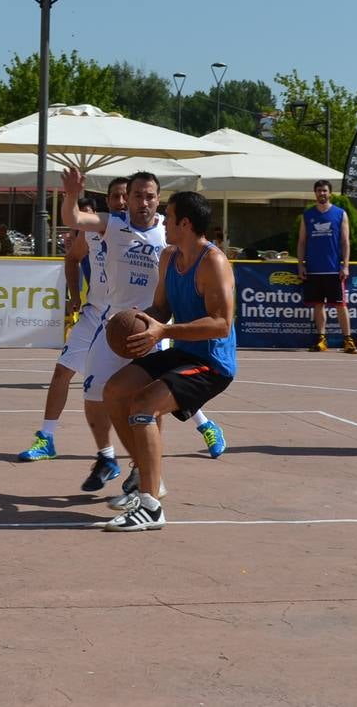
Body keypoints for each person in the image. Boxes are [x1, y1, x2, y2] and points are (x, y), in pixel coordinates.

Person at [61, 168, 227, 494]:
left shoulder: (170, 236)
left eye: (150, 196)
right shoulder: (114, 224)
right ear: (128, 198)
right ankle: (112, 457)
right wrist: (70, 194)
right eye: (137, 195)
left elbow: (214, 313)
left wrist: (160, 327)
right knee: (98, 395)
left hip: (152, 329)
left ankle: (144, 474)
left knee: (149, 403)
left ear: (158, 200)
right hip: (114, 326)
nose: (144, 201)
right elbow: (75, 218)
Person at [98, 191, 237, 531]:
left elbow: (221, 323)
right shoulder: (169, 257)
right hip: (184, 351)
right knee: (114, 391)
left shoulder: (213, 262)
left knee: (143, 405)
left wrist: (162, 332)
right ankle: (149, 477)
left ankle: (150, 506)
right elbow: (161, 309)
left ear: (184, 223)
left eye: (168, 215)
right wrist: (138, 321)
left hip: (212, 363)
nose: (163, 219)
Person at [15, 181, 128, 462]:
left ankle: (203, 423)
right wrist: (75, 294)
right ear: (108, 201)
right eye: (116, 196)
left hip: (128, 317)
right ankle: (47, 438)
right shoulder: (91, 233)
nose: (122, 201)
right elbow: (72, 258)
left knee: (153, 382)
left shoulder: (144, 232)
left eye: (128, 196)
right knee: (62, 372)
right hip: (94, 314)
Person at [296, 180, 357, 354]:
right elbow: (301, 242)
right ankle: (321, 339)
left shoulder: (340, 213)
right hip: (314, 268)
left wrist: (345, 265)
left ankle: (348, 340)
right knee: (318, 305)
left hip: (333, 268)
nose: (322, 193)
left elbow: (345, 242)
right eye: (318, 191)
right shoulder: (307, 215)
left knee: (340, 305)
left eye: (324, 191)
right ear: (315, 193)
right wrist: (301, 265)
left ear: (330, 193)